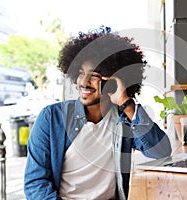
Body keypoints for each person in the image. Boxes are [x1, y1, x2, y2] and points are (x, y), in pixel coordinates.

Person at [24, 26, 172, 200]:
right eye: (81, 73)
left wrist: (127, 104)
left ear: (113, 79)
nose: (84, 82)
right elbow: (35, 184)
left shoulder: (124, 118)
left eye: (94, 75)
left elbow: (161, 152)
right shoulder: (51, 117)